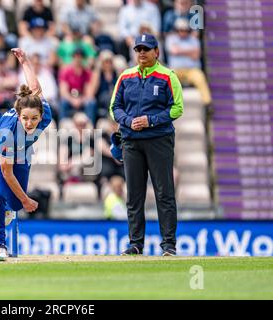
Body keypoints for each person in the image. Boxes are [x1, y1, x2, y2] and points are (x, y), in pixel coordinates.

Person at [109, 33, 183, 256]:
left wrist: (150, 120)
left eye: (146, 49)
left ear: (156, 52)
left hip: (159, 140)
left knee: (164, 192)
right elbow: (115, 107)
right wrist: (128, 121)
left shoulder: (167, 76)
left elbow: (177, 108)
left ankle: (168, 244)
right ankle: (135, 243)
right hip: (131, 141)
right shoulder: (125, 76)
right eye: (138, 49)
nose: (142, 53)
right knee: (134, 194)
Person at [0, 48, 52, 261]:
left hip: (23, 151)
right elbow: (7, 172)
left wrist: (25, 61)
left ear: (41, 116)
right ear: (18, 114)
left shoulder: (44, 112)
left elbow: (35, 88)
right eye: (25, 119)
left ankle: (9, 207)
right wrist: (27, 200)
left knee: (16, 204)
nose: (29, 123)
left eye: (34, 119)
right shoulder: (8, 133)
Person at [165, 18, 212, 107]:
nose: (183, 32)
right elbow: (174, 51)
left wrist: (180, 50)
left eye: (185, 30)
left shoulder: (194, 39)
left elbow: (196, 55)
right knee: (167, 79)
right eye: (180, 30)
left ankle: (207, 104)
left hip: (191, 70)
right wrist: (190, 51)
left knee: (200, 77)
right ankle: (165, 105)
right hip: (176, 70)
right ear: (176, 30)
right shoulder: (170, 38)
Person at [59, 47, 97, 124]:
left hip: (82, 99)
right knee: (63, 102)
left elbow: (89, 92)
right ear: (72, 57)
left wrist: (81, 100)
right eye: (76, 56)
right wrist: (72, 100)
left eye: (80, 57)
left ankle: (89, 127)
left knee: (91, 102)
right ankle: (62, 126)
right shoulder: (66, 71)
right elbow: (63, 91)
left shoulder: (87, 73)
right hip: (69, 98)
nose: (78, 59)